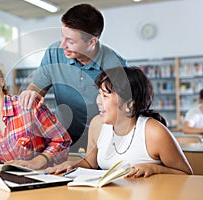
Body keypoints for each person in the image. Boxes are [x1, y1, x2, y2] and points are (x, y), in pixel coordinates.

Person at [46, 66, 193, 177]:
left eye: (105, 96)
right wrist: (72, 165)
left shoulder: (153, 132)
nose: (98, 101)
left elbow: (186, 175)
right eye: (99, 94)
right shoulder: (97, 125)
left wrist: (155, 169)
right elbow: (90, 163)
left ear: (129, 104)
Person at [18, 4, 127, 152]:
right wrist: (29, 95)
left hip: (103, 139)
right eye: (62, 36)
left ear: (91, 42)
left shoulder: (115, 64)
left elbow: (122, 114)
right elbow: (36, 89)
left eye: (70, 41)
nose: (63, 45)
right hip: (63, 137)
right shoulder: (54, 53)